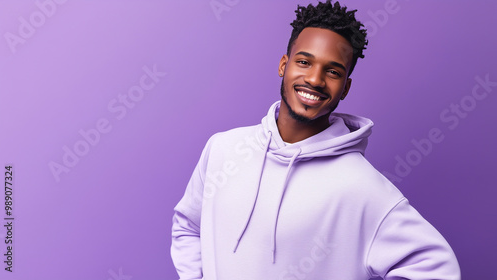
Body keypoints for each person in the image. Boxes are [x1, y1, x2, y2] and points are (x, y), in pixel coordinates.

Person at [171, 1, 461, 279]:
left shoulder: (362, 187)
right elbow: (187, 226)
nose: (315, 79)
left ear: (345, 87)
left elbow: (436, 269)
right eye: (304, 62)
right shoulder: (222, 149)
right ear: (284, 65)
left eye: (332, 71)